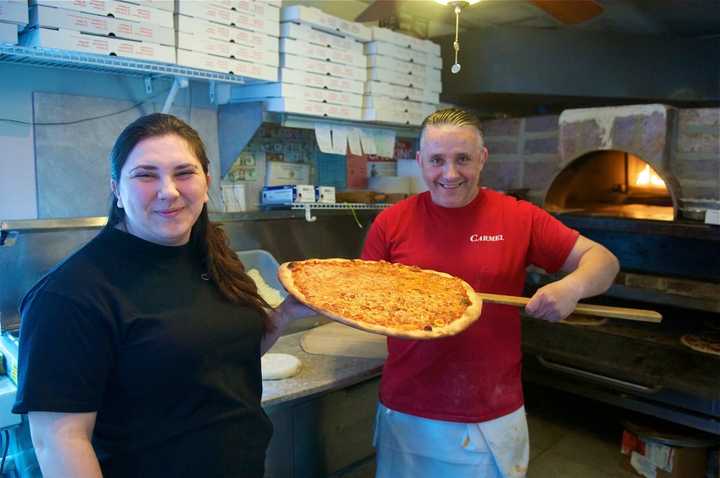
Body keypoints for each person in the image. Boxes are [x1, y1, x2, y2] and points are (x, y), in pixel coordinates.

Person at [12, 113, 311, 478]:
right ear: (116, 189)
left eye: (184, 173)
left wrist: (284, 315)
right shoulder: (70, 294)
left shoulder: (214, 255)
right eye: (145, 175)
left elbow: (224, 356)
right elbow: (60, 441)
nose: (168, 191)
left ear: (205, 183)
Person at [361, 108, 620, 478]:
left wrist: (571, 286)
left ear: (482, 158)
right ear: (420, 161)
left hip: (488, 411)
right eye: (437, 160)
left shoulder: (518, 217)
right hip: (406, 407)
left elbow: (604, 261)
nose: (450, 174)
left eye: (462, 159)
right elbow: (362, 293)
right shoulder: (391, 222)